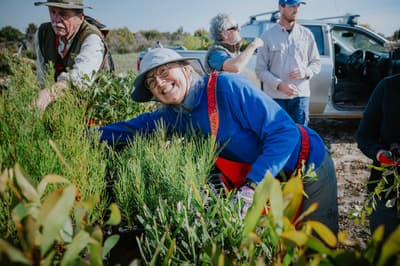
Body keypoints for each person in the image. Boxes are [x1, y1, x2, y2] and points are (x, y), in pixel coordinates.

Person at [98, 48, 339, 234]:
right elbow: (130, 129)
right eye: (151, 82)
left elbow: (284, 133)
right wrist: (85, 136)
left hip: (307, 166)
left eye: (164, 72)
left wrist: (251, 187)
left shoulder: (226, 87)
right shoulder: (173, 115)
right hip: (273, 181)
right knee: (279, 248)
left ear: (186, 69)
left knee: (315, 247)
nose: (159, 83)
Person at [34, 0, 112, 110]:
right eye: (52, 12)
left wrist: (48, 95)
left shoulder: (91, 38)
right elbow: (42, 75)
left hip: (92, 107)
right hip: (58, 106)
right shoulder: (43, 33)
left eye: (63, 14)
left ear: (80, 18)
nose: (56, 20)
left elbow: (79, 81)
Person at [255, 0, 321, 126]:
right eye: (292, 6)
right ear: (281, 7)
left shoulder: (307, 34)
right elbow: (260, 70)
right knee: (278, 137)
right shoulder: (267, 36)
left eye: (298, 6)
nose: (296, 9)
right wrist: (279, 85)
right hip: (276, 98)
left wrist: (305, 72)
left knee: (301, 136)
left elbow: (316, 63)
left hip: (300, 98)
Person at [356, 73, 400, 240]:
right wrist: (379, 153)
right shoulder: (388, 87)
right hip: (385, 187)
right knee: (383, 252)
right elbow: (364, 136)